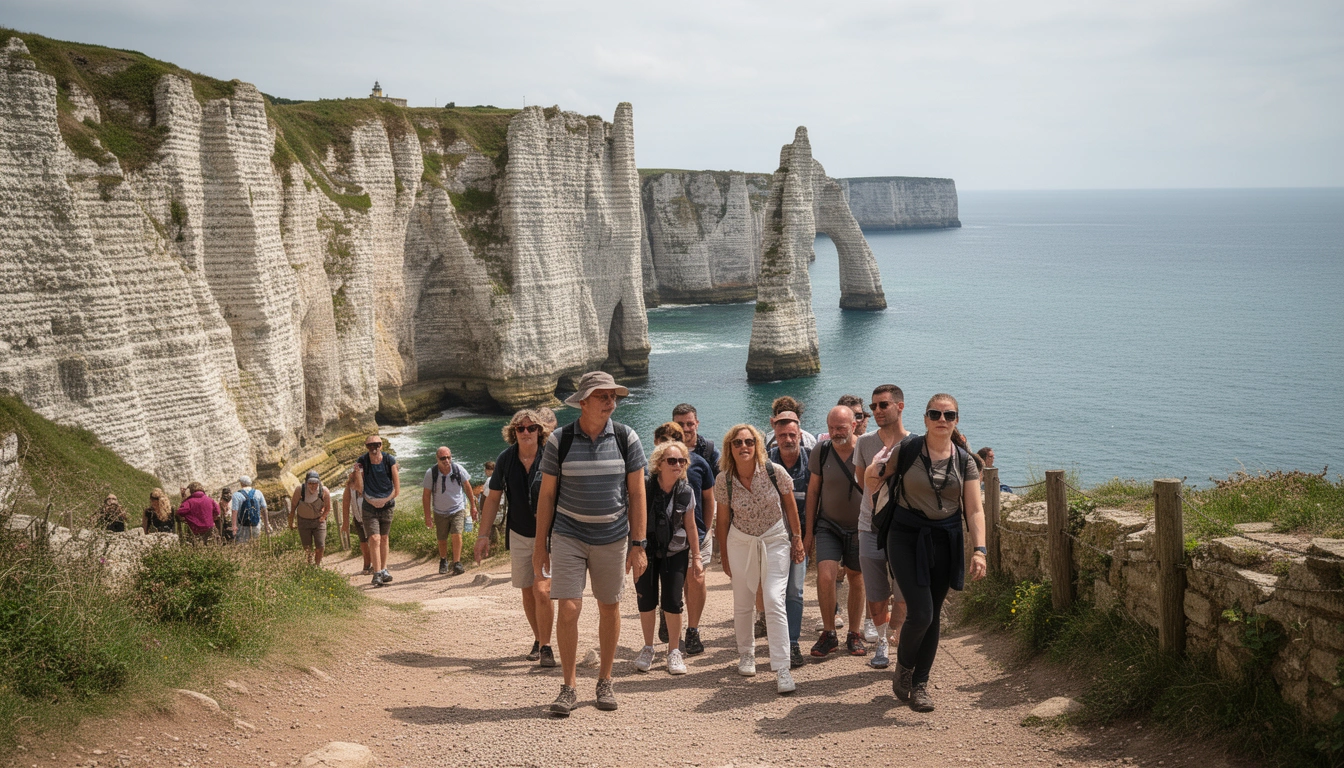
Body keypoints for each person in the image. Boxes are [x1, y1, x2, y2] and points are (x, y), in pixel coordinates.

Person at [534, 371, 647, 716]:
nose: (610, 402)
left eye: (613, 396)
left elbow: (637, 492)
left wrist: (638, 544)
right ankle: (568, 686)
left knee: (609, 607)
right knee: (569, 608)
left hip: (613, 537)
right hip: (568, 534)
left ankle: (605, 680)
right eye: (603, 396)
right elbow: (547, 494)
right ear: (583, 402)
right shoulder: (559, 440)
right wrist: (541, 544)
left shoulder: (627, 438)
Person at [876, 393, 987, 712]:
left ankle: (920, 685)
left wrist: (979, 549)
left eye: (948, 415)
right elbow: (875, 478)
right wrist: (871, 473)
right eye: (935, 414)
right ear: (925, 419)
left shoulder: (965, 461)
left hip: (945, 538)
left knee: (933, 613)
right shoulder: (907, 449)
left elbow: (975, 509)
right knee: (921, 611)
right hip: (905, 534)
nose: (942, 420)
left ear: (956, 421)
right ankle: (905, 668)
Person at [715, 424, 806, 694]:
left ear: (757, 446)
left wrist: (797, 538)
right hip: (740, 540)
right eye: (737, 443)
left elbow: (790, 506)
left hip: (775, 538)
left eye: (749, 442)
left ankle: (782, 668)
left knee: (773, 598)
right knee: (743, 600)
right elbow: (722, 521)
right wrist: (724, 556)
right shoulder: (724, 480)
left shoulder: (774, 472)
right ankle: (747, 654)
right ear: (729, 448)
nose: (744, 446)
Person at [475, 409, 557, 667]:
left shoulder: (552, 456)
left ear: (539, 432)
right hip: (519, 532)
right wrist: (483, 535)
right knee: (527, 591)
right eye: (520, 429)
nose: (526, 432)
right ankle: (539, 638)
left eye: (531, 428)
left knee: (542, 589)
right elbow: (493, 498)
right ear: (513, 433)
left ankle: (546, 646)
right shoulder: (506, 459)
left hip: (549, 535)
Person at [855, 384, 913, 669]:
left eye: (883, 405)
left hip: (904, 531)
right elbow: (861, 481)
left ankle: (897, 636)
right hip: (870, 527)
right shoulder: (864, 443)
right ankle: (881, 643)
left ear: (900, 406)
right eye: (873, 406)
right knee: (877, 594)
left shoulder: (915, 444)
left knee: (902, 594)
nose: (876, 410)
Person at [632, 440, 700, 676]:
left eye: (682, 461)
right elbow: (632, 520)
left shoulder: (686, 492)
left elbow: (691, 527)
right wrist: (632, 552)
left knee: (672, 601)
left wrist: (697, 558)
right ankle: (649, 647)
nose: (678, 465)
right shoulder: (644, 488)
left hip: (675, 552)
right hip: (646, 551)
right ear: (659, 464)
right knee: (646, 600)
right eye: (672, 461)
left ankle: (674, 650)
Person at [805, 405, 868, 658]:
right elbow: (813, 492)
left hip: (859, 527)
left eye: (840, 427)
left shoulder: (867, 450)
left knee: (856, 577)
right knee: (826, 576)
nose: (835, 432)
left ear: (854, 425)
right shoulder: (822, 451)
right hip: (828, 524)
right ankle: (829, 633)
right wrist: (808, 532)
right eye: (831, 427)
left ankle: (854, 633)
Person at [651, 422, 715, 655]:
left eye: (675, 438)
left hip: (696, 534)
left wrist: (705, 528)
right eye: (664, 438)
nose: (670, 442)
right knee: (674, 585)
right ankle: (668, 613)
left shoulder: (698, 464)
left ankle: (693, 630)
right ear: (656, 442)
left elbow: (709, 498)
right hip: (665, 541)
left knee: (696, 580)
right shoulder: (651, 472)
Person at [765, 411, 811, 668]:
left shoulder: (811, 461)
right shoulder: (766, 463)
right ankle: (777, 643)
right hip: (771, 538)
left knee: (795, 590)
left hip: (798, 537)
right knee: (773, 594)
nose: (788, 439)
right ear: (775, 437)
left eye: (792, 434)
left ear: (800, 434)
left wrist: (805, 539)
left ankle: (792, 643)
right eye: (782, 435)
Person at [353, 435, 399, 587]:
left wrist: (384, 501)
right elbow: (359, 489)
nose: (374, 448)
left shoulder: (389, 460)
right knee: (374, 538)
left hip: (387, 504)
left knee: (384, 538)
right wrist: (358, 473)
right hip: (369, 505)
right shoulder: (362, 461)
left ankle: (384, 569)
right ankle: (377, 572)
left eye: (376, 445)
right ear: (367, 447)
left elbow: (396, 489)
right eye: (370, 445)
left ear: (381, 445)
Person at [423, 446, 475, 575]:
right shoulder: (431, 473)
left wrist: (473, 506)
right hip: (439, 511)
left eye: (448, 457)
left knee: (457, 534)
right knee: (442, 539)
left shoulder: (458, 469)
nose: (446, 460)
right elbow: (426, 495)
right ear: (437, 459)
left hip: (457, 508)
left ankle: (457, 563)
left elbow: (468, 488)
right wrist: (427, 516)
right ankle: (443, 560)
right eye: (443, 458)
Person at [289, 470, 331, 566]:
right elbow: (293, 507)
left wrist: (323, 517)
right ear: (306, 482)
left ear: (319, 482)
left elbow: (328, 508)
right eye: (310, 483)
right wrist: (291, 522)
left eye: (315, 483)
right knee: (307, 547)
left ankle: (317, 565)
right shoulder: (300, 490)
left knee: (320, 546)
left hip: (318, 522)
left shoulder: (324, 491)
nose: (313, 486)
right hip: (303, 522)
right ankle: (309, 564)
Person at [671, 403, 720, 475]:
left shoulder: (710, 450)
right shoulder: (665, 451)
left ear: (697, 424)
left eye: (690, 424)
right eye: (680, 424)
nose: (685, 429)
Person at [341, 467, 372, 574]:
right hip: (358, 519)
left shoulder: (370, 484)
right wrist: (345, 523)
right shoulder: (350, 487)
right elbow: (345, 503)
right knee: (363, 542)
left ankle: (377, 565)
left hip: (371, 518)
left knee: (373, 541)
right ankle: (367, 563)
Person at [231, 476, 267, 544]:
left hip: (242, 526)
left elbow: (234, 511)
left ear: (241, 483)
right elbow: (264, 509)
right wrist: (266, 525)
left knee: (242, 544)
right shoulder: (258, 492)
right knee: (256, 543)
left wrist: (234, 526)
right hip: (256, 524)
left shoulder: (236, 495)